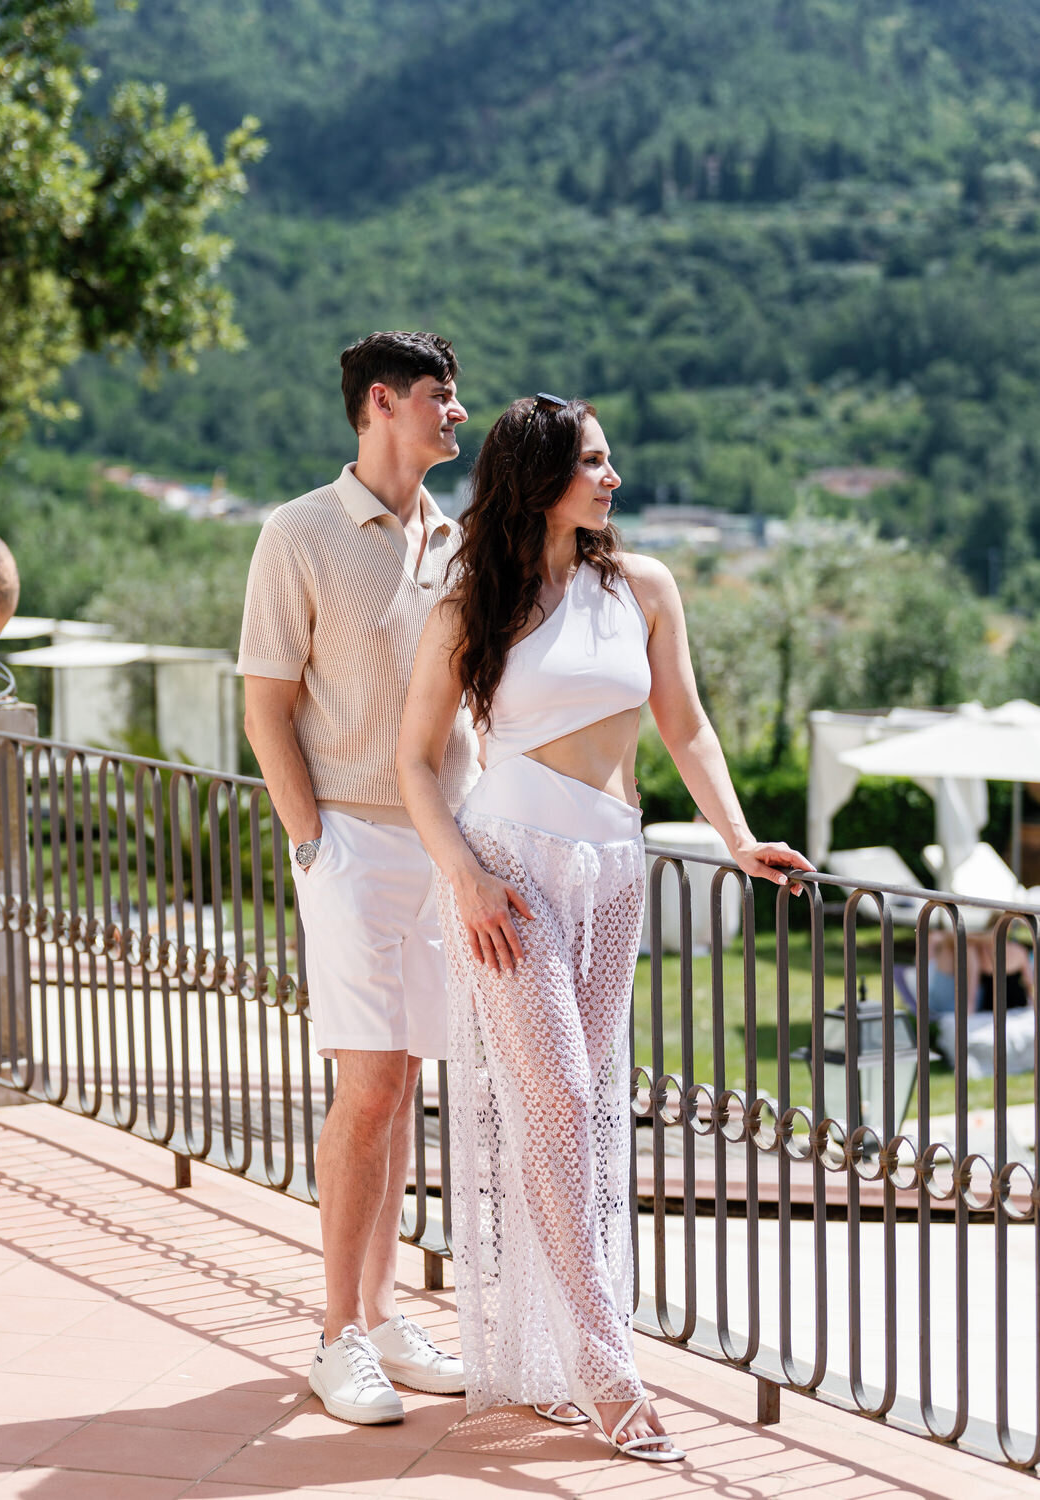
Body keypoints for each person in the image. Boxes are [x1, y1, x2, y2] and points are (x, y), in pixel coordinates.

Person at [397, 394, 812, 1463]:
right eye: (591, 461)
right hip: (507, 871)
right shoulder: (471, 604)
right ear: (538, 475)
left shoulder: (642, 586)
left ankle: (555, 1350)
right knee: (561, 1102)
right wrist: (466, 879)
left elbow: (684, 722)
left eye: (609, 458)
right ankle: (604, 1363)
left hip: (614, 866)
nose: (612, 476)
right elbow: (413, 765)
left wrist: (735, 835)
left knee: (586, 1114)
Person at [238, 331, 480, 1425]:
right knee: (370, 1087)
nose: (456, 413)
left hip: (446, 846)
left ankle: (380, 1319)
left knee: (402, 1086)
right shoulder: (297, 531)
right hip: (349, 844)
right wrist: (311, 842)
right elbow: (264, 705)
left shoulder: (458, 539)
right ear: (381, 403)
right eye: (441, 396)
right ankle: (337, 1333)